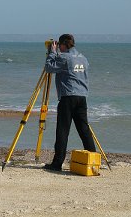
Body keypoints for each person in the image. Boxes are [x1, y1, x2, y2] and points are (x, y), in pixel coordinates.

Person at [44, 34, 96, 171]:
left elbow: (49, 68)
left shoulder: (64, 57)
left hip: (68, 97)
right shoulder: (83, 58)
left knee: (62, 131)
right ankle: (94, 160)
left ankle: (57, 163)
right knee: (84, 130)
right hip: (82, 97)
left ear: (63, 44)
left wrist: (52, 53)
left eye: (59, 45)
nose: (58, 48)